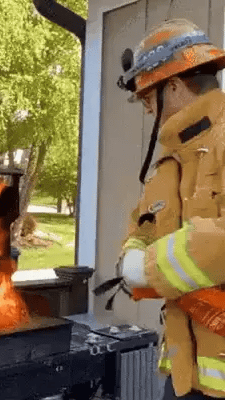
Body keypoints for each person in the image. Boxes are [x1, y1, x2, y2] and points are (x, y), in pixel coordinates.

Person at [116, 19, 225, 399]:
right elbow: (144, 223)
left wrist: (146, 267)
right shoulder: (169, 161)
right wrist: (132, 253)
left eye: (148, 96)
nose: (147, 109)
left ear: (174, 86)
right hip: (184, 376)